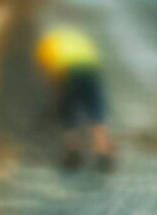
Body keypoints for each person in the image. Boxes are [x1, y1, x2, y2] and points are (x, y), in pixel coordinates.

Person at [36, 23, 115, 171]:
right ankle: (103, 152)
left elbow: (49, 73)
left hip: (68, 71)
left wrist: (57, 94)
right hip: (90, 69)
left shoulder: (47, 43)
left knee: (69, 113)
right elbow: (95, 57)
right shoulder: (80, 39)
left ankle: (73, 152)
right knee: (96, 111)